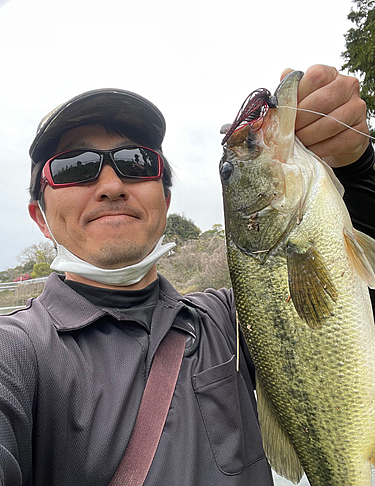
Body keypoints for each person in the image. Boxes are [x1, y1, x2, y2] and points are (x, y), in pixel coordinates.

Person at [0, 64, 374, 486]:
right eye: (73, 166)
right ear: (40, 218)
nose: (111, 184)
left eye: (135, 161)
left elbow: (354, 303)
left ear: (165, 199)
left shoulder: (226, 320)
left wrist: (357, 170)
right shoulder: (16, 352)